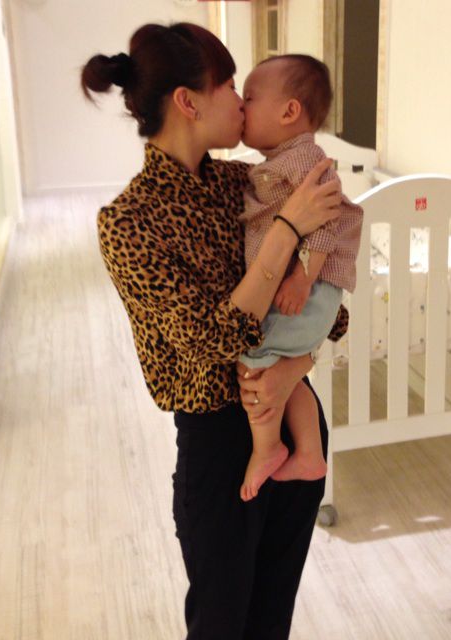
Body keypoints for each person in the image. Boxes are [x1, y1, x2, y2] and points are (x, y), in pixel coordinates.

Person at [80, 22, 348, 640]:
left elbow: (332, 312)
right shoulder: (129, 223)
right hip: (219, 450)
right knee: (221, 625)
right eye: (228, 84)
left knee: (272, 618)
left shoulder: (247, 185)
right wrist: (287, 230)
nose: (240, 100)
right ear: (188, 101)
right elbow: (209, 340)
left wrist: (294, 367)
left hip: (294, 421)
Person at [237, 55, 363, 502]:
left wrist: (302, 279)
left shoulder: (305, 160)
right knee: (285, 373)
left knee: (254, 357)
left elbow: (329, 222)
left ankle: (267, 449)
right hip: (303, 289)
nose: (241, 106)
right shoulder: (282, 160)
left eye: (249, 98)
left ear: (289, 111)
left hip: (308, 289)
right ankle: (309, 452)